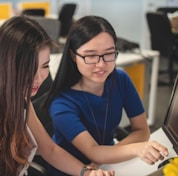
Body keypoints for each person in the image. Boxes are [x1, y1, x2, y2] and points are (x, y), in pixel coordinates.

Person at [0, 16, 114, 176]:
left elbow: (50, 150)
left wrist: (87, 172)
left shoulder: (19, 95)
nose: (39, 78)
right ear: (8, 65)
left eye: (45, 66)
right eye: (30, 67)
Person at [43, 15, 169, 175]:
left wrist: (108, 156)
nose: (101, 64)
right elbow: (93, 151)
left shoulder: (120, 79)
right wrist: (135, 148)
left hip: (108, 163)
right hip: (74, 171)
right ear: (73, 56)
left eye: (109, 54)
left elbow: (142, 130)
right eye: (90, 56)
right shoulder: (62, 103)